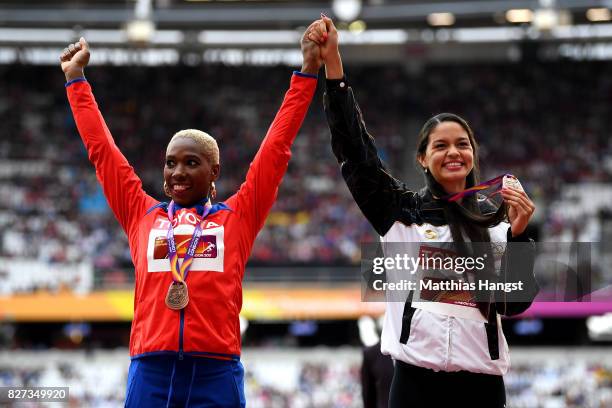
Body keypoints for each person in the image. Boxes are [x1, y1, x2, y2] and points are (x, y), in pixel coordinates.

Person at [59, 23, 322, 407]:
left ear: (214, 172)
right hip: (150, 371)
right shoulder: (141, 213)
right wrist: (76, 79)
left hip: (217, 373)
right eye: (170, 163)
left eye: (191, 162)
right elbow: (102, 150)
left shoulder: (237, 217)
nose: (177, 172)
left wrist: (308, 72)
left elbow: (276, 149)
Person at [308, 16, 539, 407]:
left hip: (481, 387)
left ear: (473, 154)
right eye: (440, 146)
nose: (453, 152)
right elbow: (357, 154)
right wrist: (335, 69)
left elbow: (512, 306)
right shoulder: (401, 213)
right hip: (415, 385)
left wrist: (518, 237)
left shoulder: (497, 221)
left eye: (462, 144)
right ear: (422, 158)